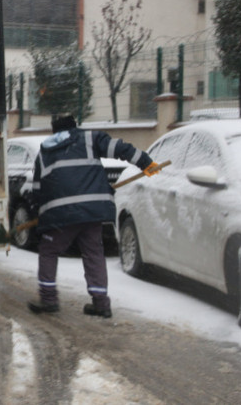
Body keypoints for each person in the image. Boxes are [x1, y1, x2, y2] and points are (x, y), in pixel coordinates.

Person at [27, 115, 159, 318]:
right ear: (74, 127)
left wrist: (39, 213)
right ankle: (101, 304)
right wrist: (145, 163)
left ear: (54, 131)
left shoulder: (44, 151)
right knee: (93, 253)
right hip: (92, 210)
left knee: (48, 250)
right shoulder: (89, 139)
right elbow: (120, 148)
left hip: (61, 214)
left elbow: (37, 188)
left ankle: (48, 300)